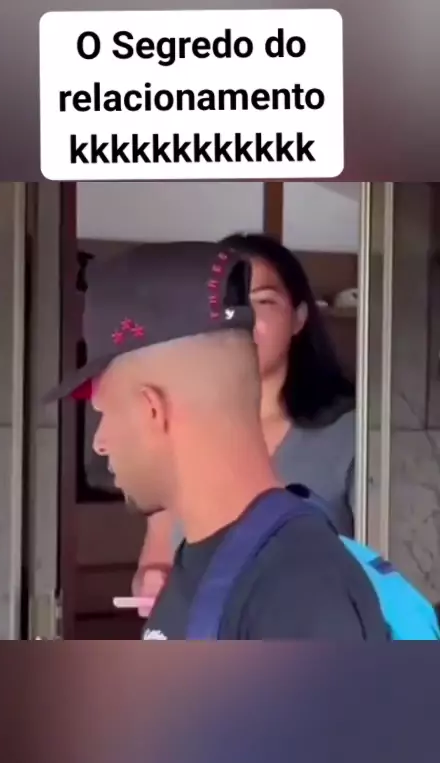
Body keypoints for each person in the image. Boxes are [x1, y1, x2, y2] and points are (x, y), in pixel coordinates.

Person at [45, 240, 387, 641]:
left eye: (105, 413)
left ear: (153, 409)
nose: (99, 443)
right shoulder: (196, 556)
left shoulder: (297, 590)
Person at [133, 233, 356, 617]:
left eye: (263, 301)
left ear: (298, 318)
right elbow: (155, 563)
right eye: (229, 301)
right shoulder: (175, 432)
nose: (243, 317)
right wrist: (152, 581)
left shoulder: (352, 435)